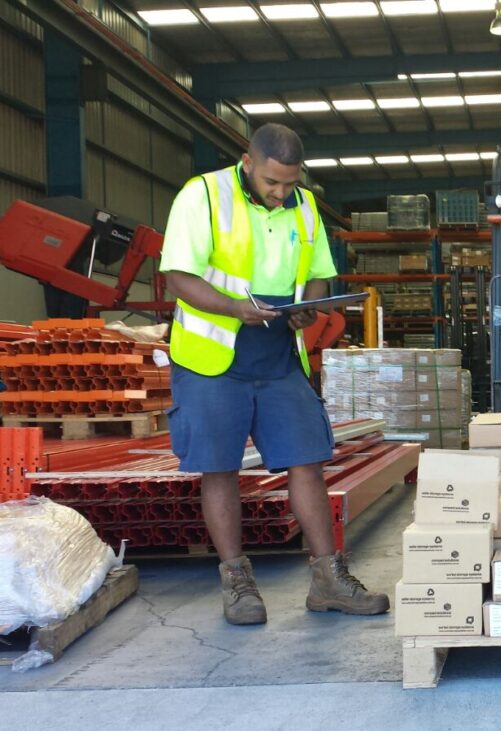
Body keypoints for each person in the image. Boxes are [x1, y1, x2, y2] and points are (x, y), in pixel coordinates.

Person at [160, 123, 388, 624]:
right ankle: (238, 583)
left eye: (288, 183)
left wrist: (308, 308)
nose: (280, 192)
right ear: (248, 161)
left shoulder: (304, 206)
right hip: (212, 359)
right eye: (271, 182)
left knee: (307, 459)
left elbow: (318, 274)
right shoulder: (203, 195)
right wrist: (233, 309)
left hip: (280, 354)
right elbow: (178, 275)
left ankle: (328, 580)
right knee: (221, 468)